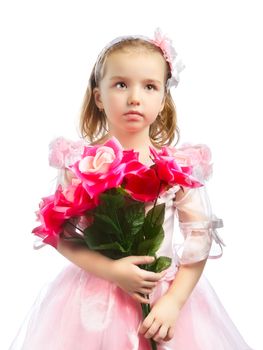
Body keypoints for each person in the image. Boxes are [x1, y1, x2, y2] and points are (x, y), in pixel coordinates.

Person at [10, 28, 252, 350]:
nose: (134, 97)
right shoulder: (81, 165)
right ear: (99, 96)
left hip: (162, 295)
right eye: (121, 84)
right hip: (93, 304)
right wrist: (111, 270)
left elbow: (199, 236)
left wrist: (174, 303)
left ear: (163, 98)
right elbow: (61, 234)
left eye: (149, 86)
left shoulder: (177, 166)